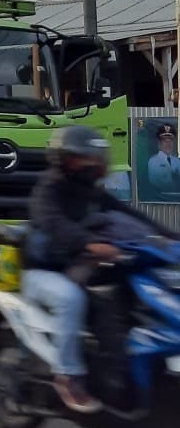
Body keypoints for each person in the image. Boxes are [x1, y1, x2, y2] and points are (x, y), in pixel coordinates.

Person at [23, 125, 171, 413]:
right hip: (43, 272)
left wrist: (170, 237)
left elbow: (130, 214)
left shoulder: (91, 192)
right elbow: (54, 224)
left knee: (123, 293)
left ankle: (117, 371)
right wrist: (90, 244)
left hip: (77, 266)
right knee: (71, 299)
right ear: (64, 159)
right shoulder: (48, 190)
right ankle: (68, 375)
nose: (92, 164)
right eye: (84, 158)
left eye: (94, 157)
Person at [147, 126, 180, 197]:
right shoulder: (153, 161)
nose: (168, 144)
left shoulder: (177, 161)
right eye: (165, 141)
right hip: (161, 198)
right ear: (159, 144)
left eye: (170, 141)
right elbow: (156, 183)